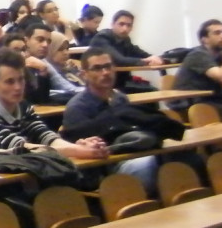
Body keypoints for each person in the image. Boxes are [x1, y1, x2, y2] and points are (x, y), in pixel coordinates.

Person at [0, 49, 110, 162]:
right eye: (10, 82)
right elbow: (21, 148)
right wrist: (79, 151)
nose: (18, 87)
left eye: (21, 80)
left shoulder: (23, 106)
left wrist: (78, 147)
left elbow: (46, 136)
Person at [59, 48, 168, 192]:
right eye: (97, 68)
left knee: (179, 158)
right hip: (105, 168)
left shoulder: (119, 98)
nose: (105, 72)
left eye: (108, 66)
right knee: (147, 165)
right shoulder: (77, 108)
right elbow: (82, 155)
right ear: (84, 75)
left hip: (133, 154)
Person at [175, 18, 222, 121]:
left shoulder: (220, 54)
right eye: (217, 33)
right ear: (204, 39)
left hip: (215, 98)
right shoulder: (198, 55)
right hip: (192, 101)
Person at [88, 10, 165, 87]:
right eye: (121, 24)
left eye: (129, 25)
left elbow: (138, 53)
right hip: (103, 86)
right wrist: (147, 61)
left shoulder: (125, 39)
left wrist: (155, 58)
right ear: (112, 24)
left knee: (152, 90)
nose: (125, 28)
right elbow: (119, 60)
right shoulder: (101, 38)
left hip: (121, 82)